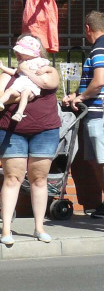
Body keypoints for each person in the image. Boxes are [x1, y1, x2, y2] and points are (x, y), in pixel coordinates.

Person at [0, 36, 59, 247]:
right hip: (11, 131)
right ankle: (6, 228)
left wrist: (26, 71)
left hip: (45, 131)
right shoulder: (8, 76)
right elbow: (2, 95)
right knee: (12, 178)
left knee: (39, 179)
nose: (18, 55)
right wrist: (22, 92)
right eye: (17, 52)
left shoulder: (48, 69)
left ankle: (39, 227)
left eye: (22, 51)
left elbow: (48, 83)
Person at [63, 11, 104, 219]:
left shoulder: (101, 48)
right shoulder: (103, 46)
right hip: (93, 111)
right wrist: (76, 95)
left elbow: (99, 81)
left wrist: (81, 97)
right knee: (96, 159)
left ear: (88, 28)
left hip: (98, 112)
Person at [0, 36, 50, 122]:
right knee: (9, 91)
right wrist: (2, 67)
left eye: (21, 53)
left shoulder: (39, 61)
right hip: (20, 82)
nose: (18, 54)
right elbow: (15, 72)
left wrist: (43, 70)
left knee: (25, 94)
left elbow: (47, 68)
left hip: (31, 84)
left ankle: (19, 112)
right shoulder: (22, 63)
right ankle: (1, 101)